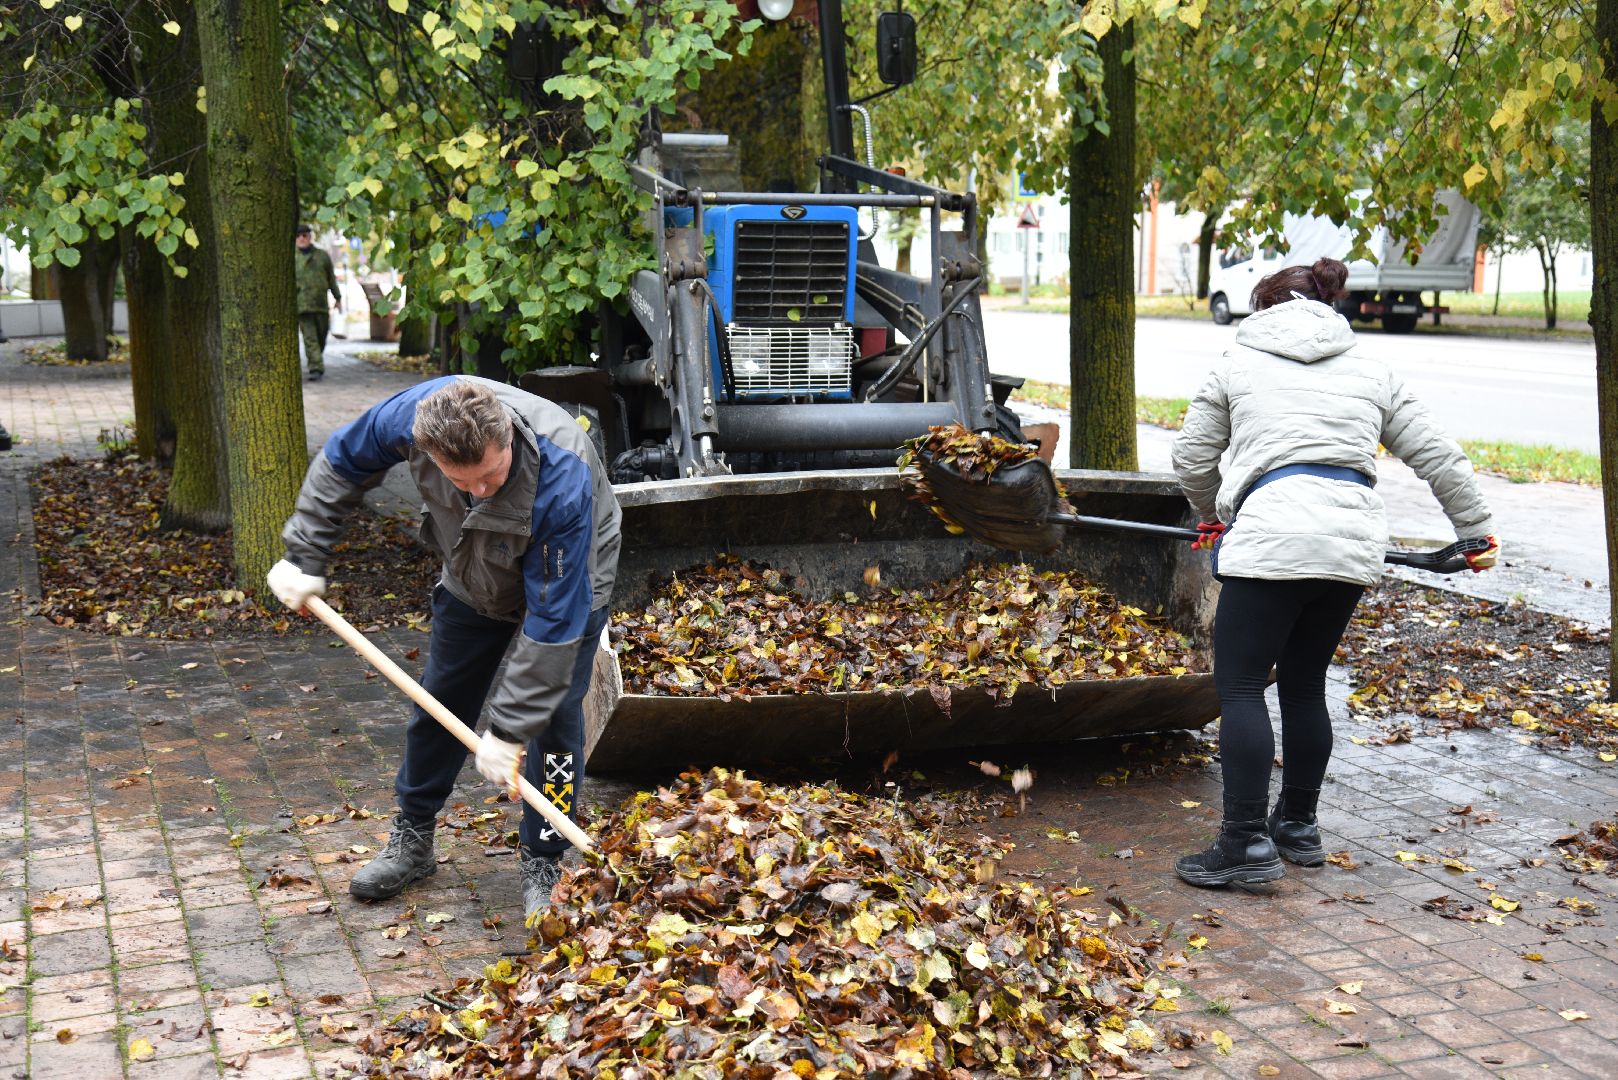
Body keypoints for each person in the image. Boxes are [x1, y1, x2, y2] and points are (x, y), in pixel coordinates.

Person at [1170, 257, 1498, 888]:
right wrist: (1476, 533)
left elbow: (1191, 456)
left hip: (1271, 534)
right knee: (1303, 685)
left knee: (1241, 688)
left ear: (1265, 308)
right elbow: (1438, 454)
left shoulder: (1238, 362)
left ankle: (1244, 844)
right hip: (1350, 545)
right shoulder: (1372, 369)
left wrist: (1213, 515)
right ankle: (1297, 826)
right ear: (1330, 304)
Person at [266, 375, 622, 921]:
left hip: (572, 574)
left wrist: (508, 728)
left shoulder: (561, 473)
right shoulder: (408, 419)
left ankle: (544, 858)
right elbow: (342, 460)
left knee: (553, 718)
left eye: (492, 475)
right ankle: (413, 836)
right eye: (463, 481)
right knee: (442, 697)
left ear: (506, 437)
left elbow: (553, 623)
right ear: (427, 450)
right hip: (472, 566)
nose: (481, 490)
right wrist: (304, 554)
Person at [295, 224, 342, 382]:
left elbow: (331, 278)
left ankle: (316, 359)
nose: (302, 238)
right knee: (310, 339)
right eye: (298, 236)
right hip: (302, 305)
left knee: (321, 336)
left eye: (305, 235)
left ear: (310, 237)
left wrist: (338, 298)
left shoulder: (322, 256)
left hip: (321, 304)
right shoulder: (292, 257)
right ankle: (316, 367)